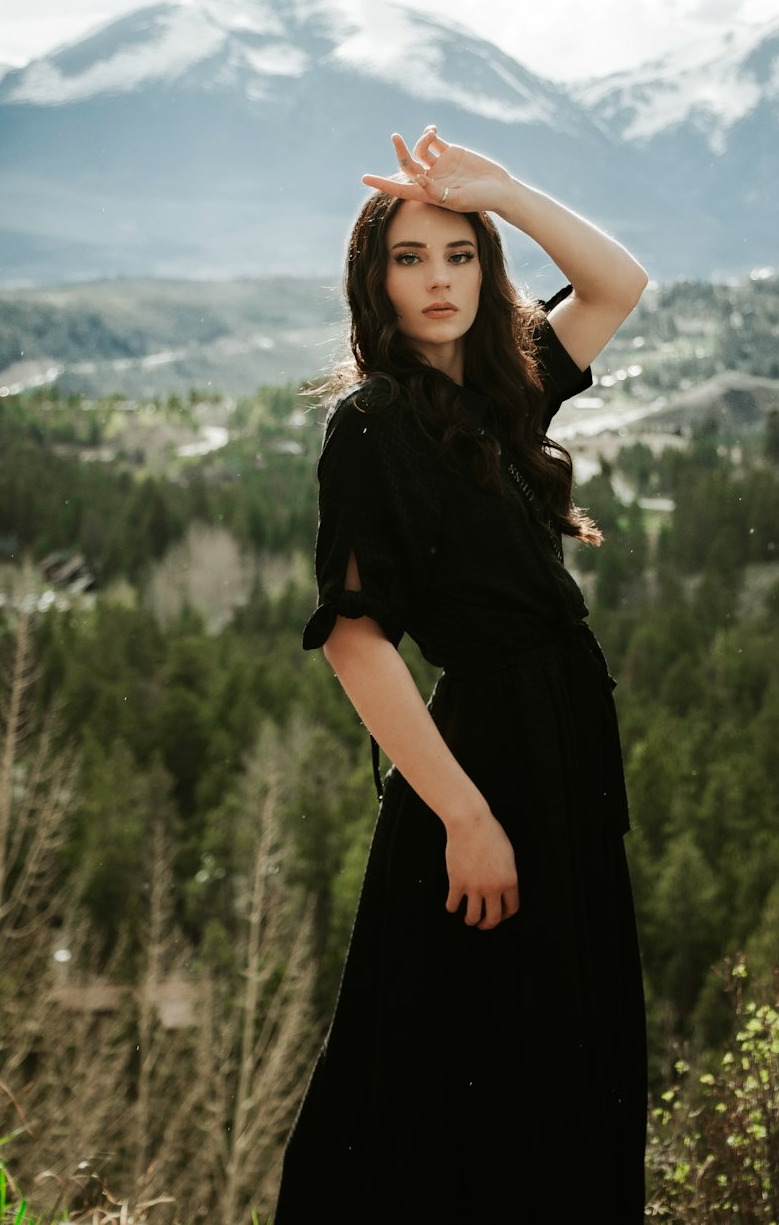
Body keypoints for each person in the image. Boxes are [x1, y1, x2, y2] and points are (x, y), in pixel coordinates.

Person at [272, 126, 649, 1223]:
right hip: (482, 763)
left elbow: (619, 282)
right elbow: (355, 639)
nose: (437, 280)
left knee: (559, 1061)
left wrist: (503, 192)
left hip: (562, 753)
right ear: (371, 281)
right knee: (461, 1077)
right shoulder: (371, 424)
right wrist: (466, 818)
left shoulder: (503, 389)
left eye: (459, 254)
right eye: (408, 258)